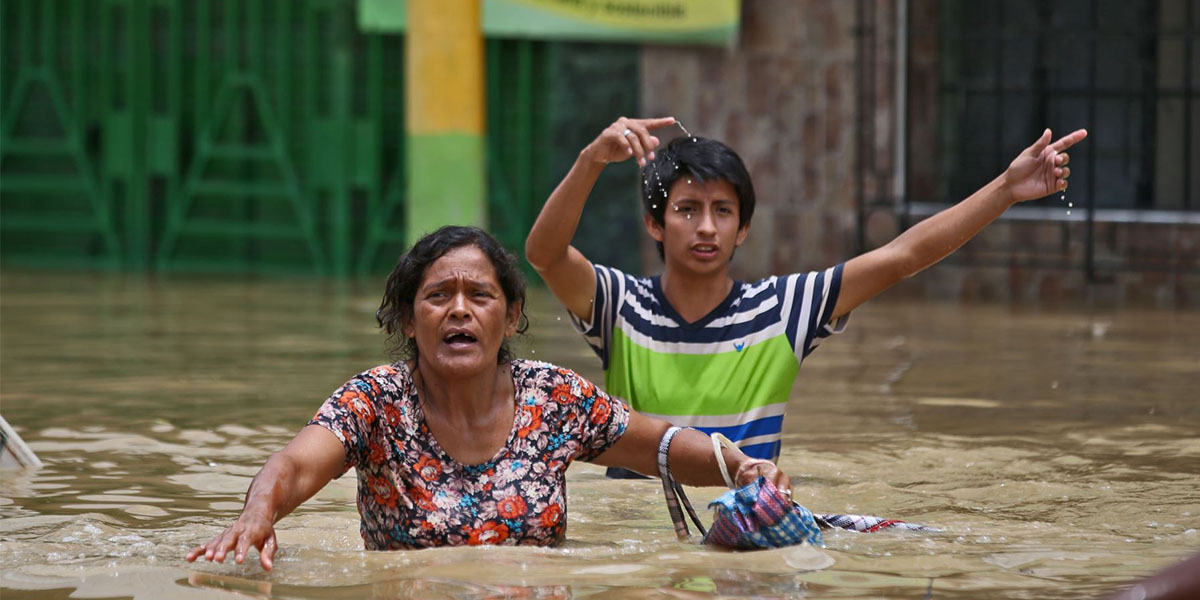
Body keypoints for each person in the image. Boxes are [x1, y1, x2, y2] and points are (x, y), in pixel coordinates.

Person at [186, 225, 791, 571]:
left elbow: (654, 442)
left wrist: (736, 464)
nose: (459, 310)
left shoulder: (552, 398)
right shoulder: (376, 402)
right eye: (437, 296)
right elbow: (292, 464)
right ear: (407, 320)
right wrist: (257, 514)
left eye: (479, 295)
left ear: (512, 315)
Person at [525, 116, 1087, 473]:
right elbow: (544, 255)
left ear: (743, 229)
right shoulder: (621, 305)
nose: (705, 228)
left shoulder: (781, 310)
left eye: (723, 211)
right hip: (633, 536)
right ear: (655, 225)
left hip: (750, 522)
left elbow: (902, 257)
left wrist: (1006, 190)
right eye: (687, 210)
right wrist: (591, 160)